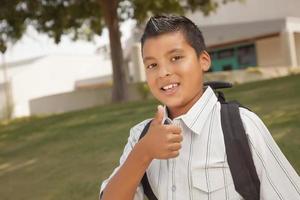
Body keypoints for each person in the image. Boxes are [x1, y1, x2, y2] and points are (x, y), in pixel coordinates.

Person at [99, 15, 300, 200]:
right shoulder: (140, 136)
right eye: (152, 65)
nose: (163, 72)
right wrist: (144, 152)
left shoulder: (241, 126)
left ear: (203, 60)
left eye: (175, 58)